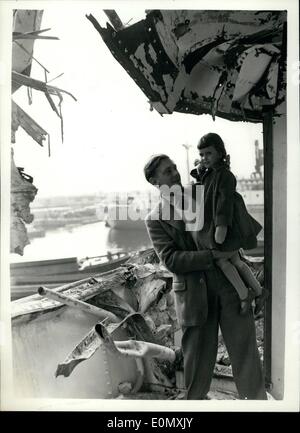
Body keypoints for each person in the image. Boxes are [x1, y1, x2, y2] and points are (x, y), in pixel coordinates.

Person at [144, 154, 267, 400]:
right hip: (194, 297)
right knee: (196, 369)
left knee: (246, 358)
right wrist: (210, 256)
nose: (176, 173)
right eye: (168, 172)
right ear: (155, 181)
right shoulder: (155, 219)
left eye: (175, 167)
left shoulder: (202, 194)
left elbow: (228, 217)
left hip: (230, 288)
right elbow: (171, 260)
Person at [193, 133, 269, 315]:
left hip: (224, 229)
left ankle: (245, 295)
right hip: (228, 232)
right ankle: (259, 291)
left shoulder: (224, 176)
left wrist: (221, 228)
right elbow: (201, 185)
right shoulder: (212, 173)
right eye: (202, 155)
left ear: (219, 153)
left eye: (208, 154)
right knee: (235, 260)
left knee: (221, 260)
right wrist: (200, 169)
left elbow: (223, 205)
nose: (204, 158)